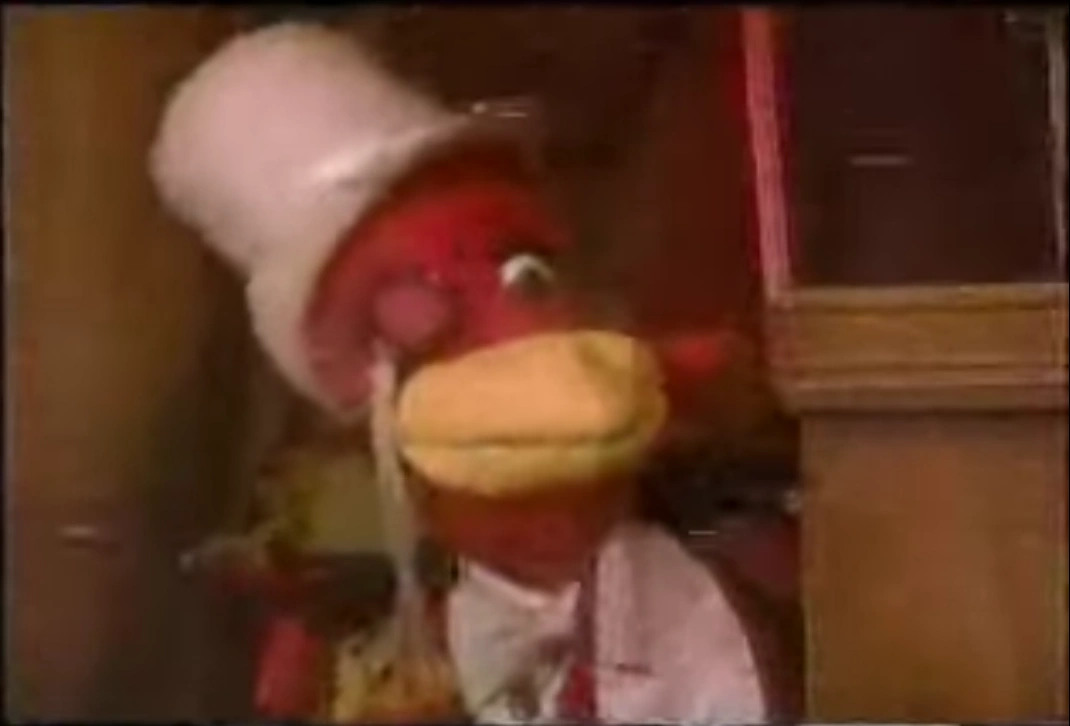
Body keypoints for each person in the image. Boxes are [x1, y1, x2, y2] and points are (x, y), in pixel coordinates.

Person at [151, 22, 774, 723]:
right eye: (422, 315)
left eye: (527, 278)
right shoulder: (370, 657)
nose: (522, 354)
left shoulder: (721, 606)